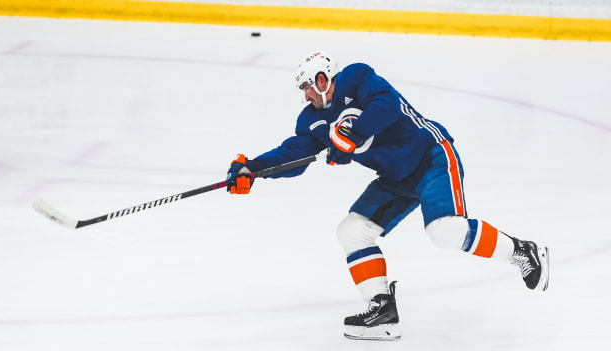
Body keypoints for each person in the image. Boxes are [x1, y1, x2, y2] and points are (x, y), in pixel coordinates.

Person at [225, 51, 549, 341]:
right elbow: (293, 155)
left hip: (431, 156)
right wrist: (252, 170)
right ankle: (381, 310)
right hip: (395, 178)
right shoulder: (311, 120)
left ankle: (523, 252)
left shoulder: (357, 77)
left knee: (443, 231)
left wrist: (351, 138)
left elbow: (386, 106)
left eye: (307, 87)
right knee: (351, 231)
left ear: (322, 80)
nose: (305, 95)